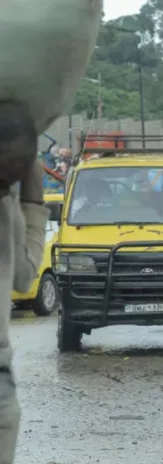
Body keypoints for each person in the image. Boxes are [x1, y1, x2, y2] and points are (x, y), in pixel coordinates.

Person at [0, 107, 50, 464]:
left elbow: (22, 277)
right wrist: (33, 203)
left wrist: (28, 204)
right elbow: (24, 276)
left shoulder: (7, 208)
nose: (18, 170)